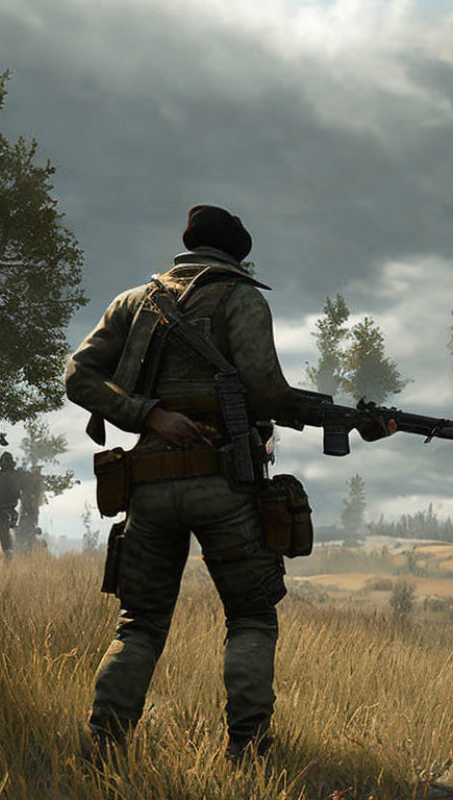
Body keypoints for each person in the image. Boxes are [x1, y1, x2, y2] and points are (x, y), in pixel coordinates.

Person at [64, 204, 297, 760]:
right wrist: (351, 420)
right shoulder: (243, 298)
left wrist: (149, 416)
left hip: (149, 486)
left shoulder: (134, 302)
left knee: (139, 622)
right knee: (251, 616)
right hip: (224, 484)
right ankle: (248, 750)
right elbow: (266, 392)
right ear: (237, 255)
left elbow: (79, 375)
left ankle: (106, 746)